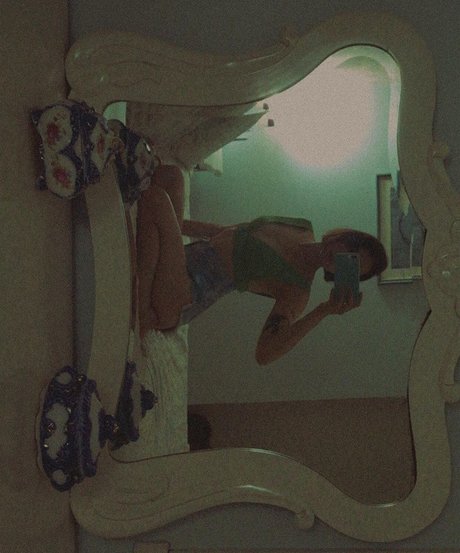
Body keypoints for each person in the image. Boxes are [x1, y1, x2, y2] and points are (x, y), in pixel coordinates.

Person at [133, 164, 388, 365]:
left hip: (181, 294)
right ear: (344, 237)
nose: (343, 262)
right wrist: (173, 226)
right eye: (351, 252)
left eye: (352, 269)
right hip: (179, 259)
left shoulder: (297, 291)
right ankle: (145, 297)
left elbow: (264, 355)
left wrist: (323, 310)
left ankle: (142, 311)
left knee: (156, 199)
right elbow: (227, 232)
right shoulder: (301, 226)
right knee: (171, 175)